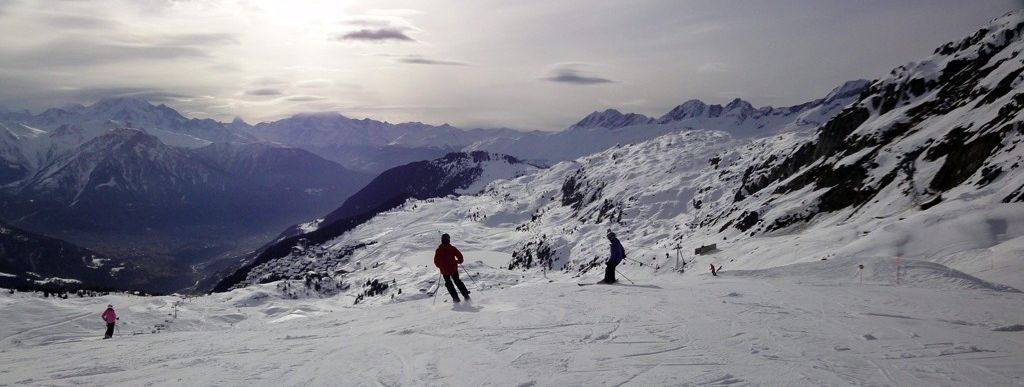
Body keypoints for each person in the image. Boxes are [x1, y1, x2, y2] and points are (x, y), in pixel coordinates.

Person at [434, 233, 471, 303]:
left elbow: (436, 261)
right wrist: (458, 261)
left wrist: (441, 266)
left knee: (448, 284)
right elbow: (460, 256)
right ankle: (466, 295)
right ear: (449, 240)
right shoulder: (452, 248)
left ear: (442, 240)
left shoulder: (438, 250)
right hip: (453, 269)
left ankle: (455, 298)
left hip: (445, 271)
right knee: (457, 281)